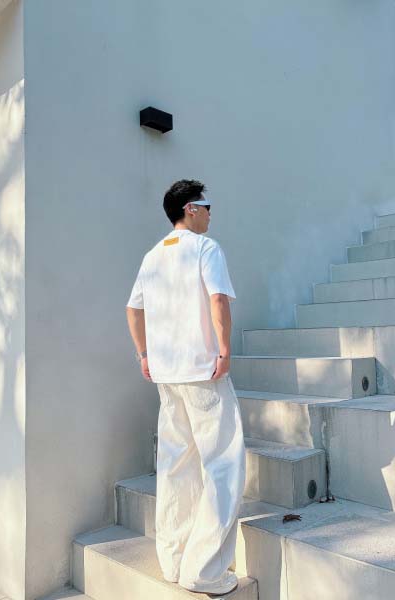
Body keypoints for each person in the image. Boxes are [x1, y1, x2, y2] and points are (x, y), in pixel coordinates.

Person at [125, 179, 245, 595]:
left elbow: (133, 309)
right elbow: (218, 300)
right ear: (191, 208)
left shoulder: (152, 256)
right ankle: (206, 571)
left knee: (175, 466)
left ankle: (174, 561)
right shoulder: (205, 249)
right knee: (223, 465)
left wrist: (144, 355)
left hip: (167, 375)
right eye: (207, 206)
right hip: (203, 372)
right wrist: (224, 350)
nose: (211, 213)